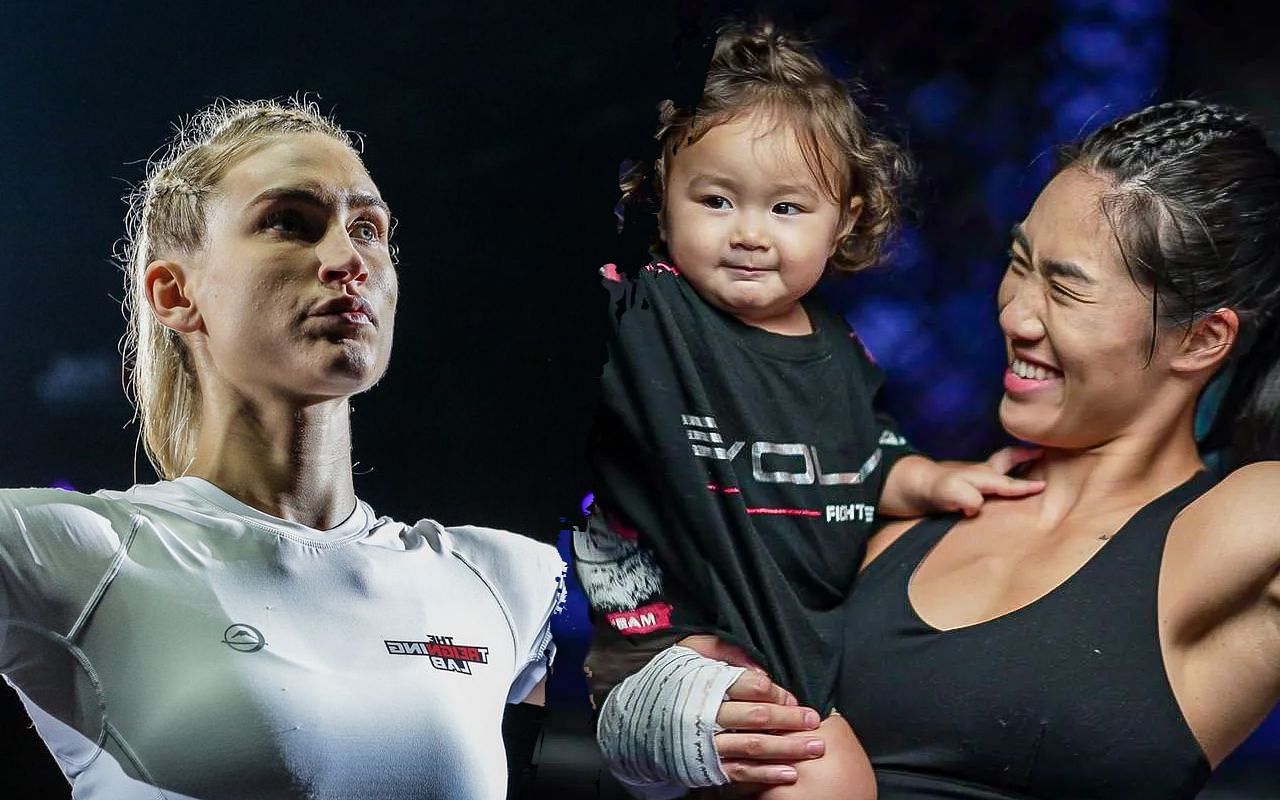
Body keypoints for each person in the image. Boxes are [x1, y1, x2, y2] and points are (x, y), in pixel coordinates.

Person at [605, 99, 1280, 799]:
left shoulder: (1235, 526)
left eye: (1066, 289)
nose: (1016, 312)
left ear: (1202, 340)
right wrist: (665, 727)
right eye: (1019, 264)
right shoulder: (892, 508)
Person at [0, 98, 565, 800]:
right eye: (288, 223)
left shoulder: (504, 579)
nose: (346, 259)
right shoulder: (65, 552)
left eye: (367, 228)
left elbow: (679, 726)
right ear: (176, 293)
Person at [579, 22, 1042, 799]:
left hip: (789, 657)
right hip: (660, 651)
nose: (750, 233)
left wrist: (929, 481)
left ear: (848, 218)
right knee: (822, 782)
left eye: (788, 208)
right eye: (716, 199)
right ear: (665, 196)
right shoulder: (644, 308)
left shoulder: (839, 350)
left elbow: (862, 464)